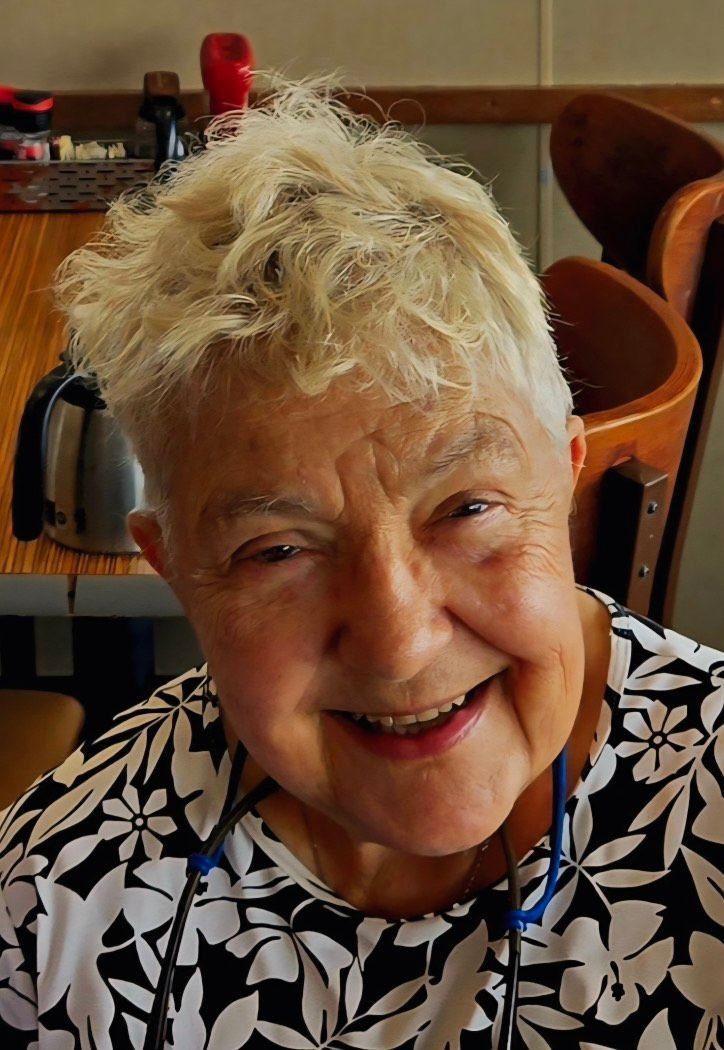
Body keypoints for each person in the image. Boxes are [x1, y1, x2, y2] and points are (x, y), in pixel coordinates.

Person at [0, 74, 721, 1050]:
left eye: (467, 508)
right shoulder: (49, 929)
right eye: (278, 551)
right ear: (176, 570)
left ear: (564, 476)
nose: (397, 641)